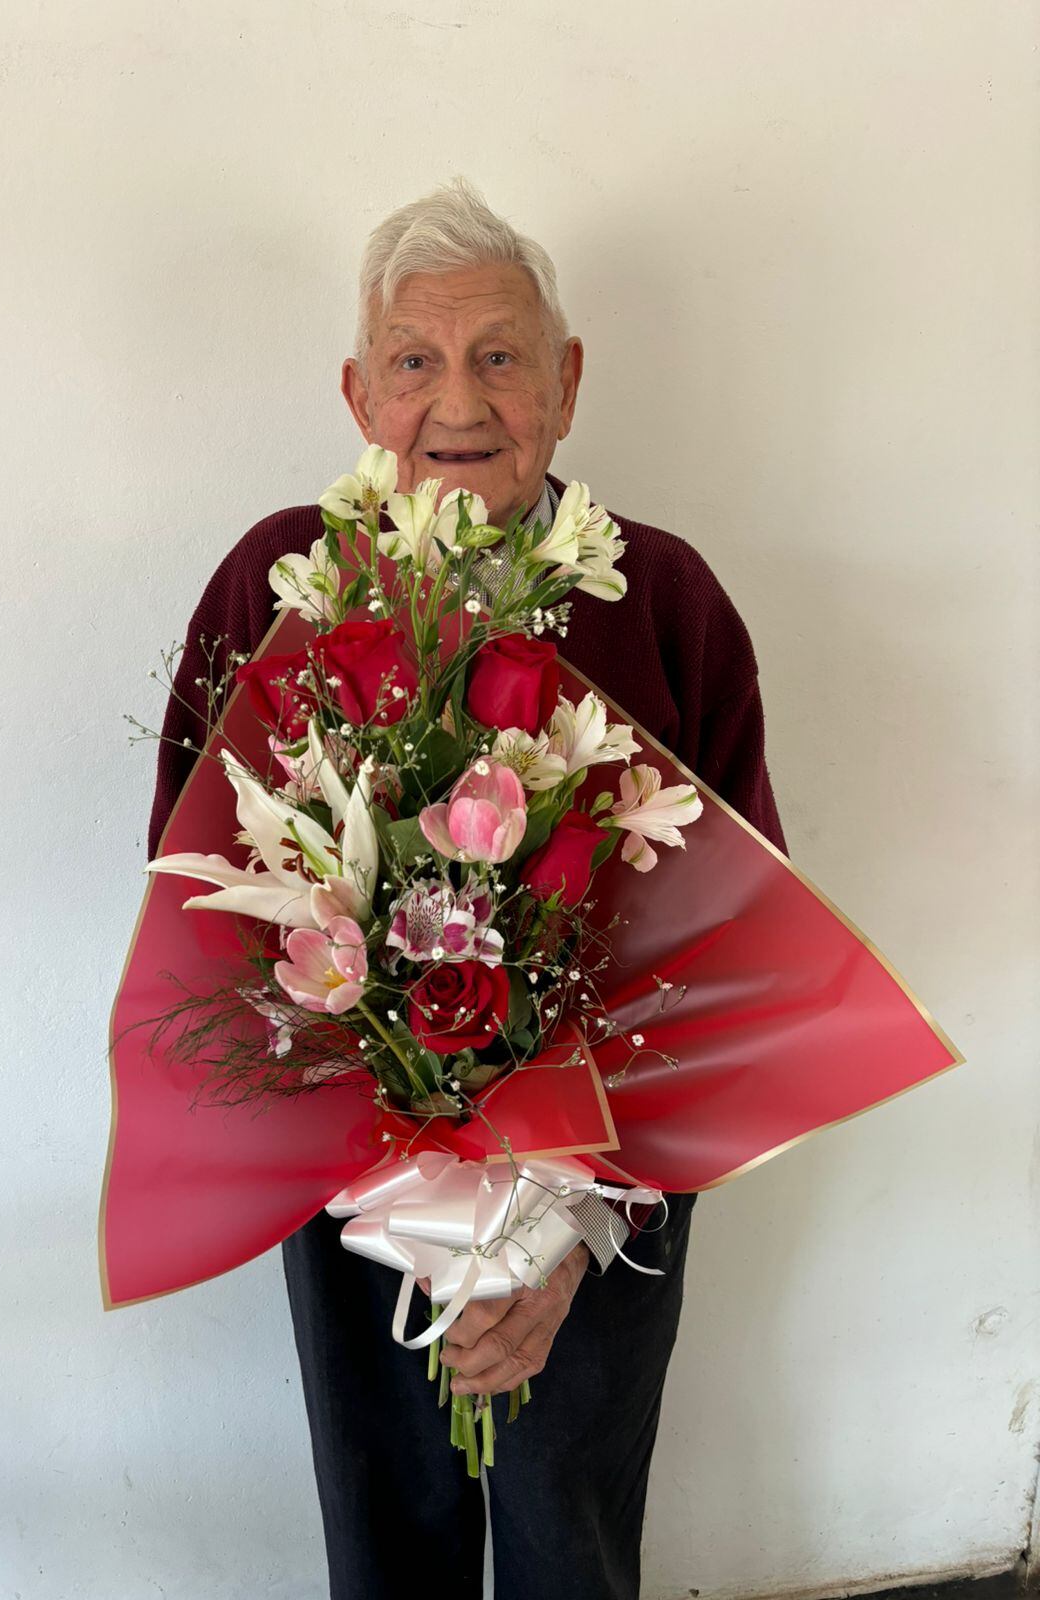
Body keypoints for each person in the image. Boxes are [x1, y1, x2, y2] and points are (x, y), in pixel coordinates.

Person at [146, 178, 785, 1600]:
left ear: (564, 384)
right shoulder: (277, 586)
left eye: (500, 355)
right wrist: (405, 1190)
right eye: (416, 360)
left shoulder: (666, 601)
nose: (461, 399)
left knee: (572, 1543)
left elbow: (744, 954)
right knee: (387, 1546)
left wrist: (563, 1226)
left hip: (604, 1207)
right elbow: (202, 909)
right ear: (359, 393)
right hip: (347, 1187)